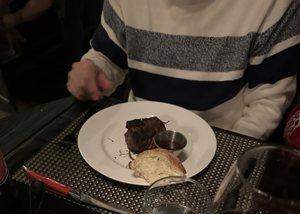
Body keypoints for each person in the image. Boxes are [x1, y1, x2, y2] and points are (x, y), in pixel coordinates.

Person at [67, 0, 300, 140]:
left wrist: (226, 163)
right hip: (135, 136)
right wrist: (93, 69)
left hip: (223, 141)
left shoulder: (274, 5)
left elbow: (267, 101)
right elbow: (107, 56)